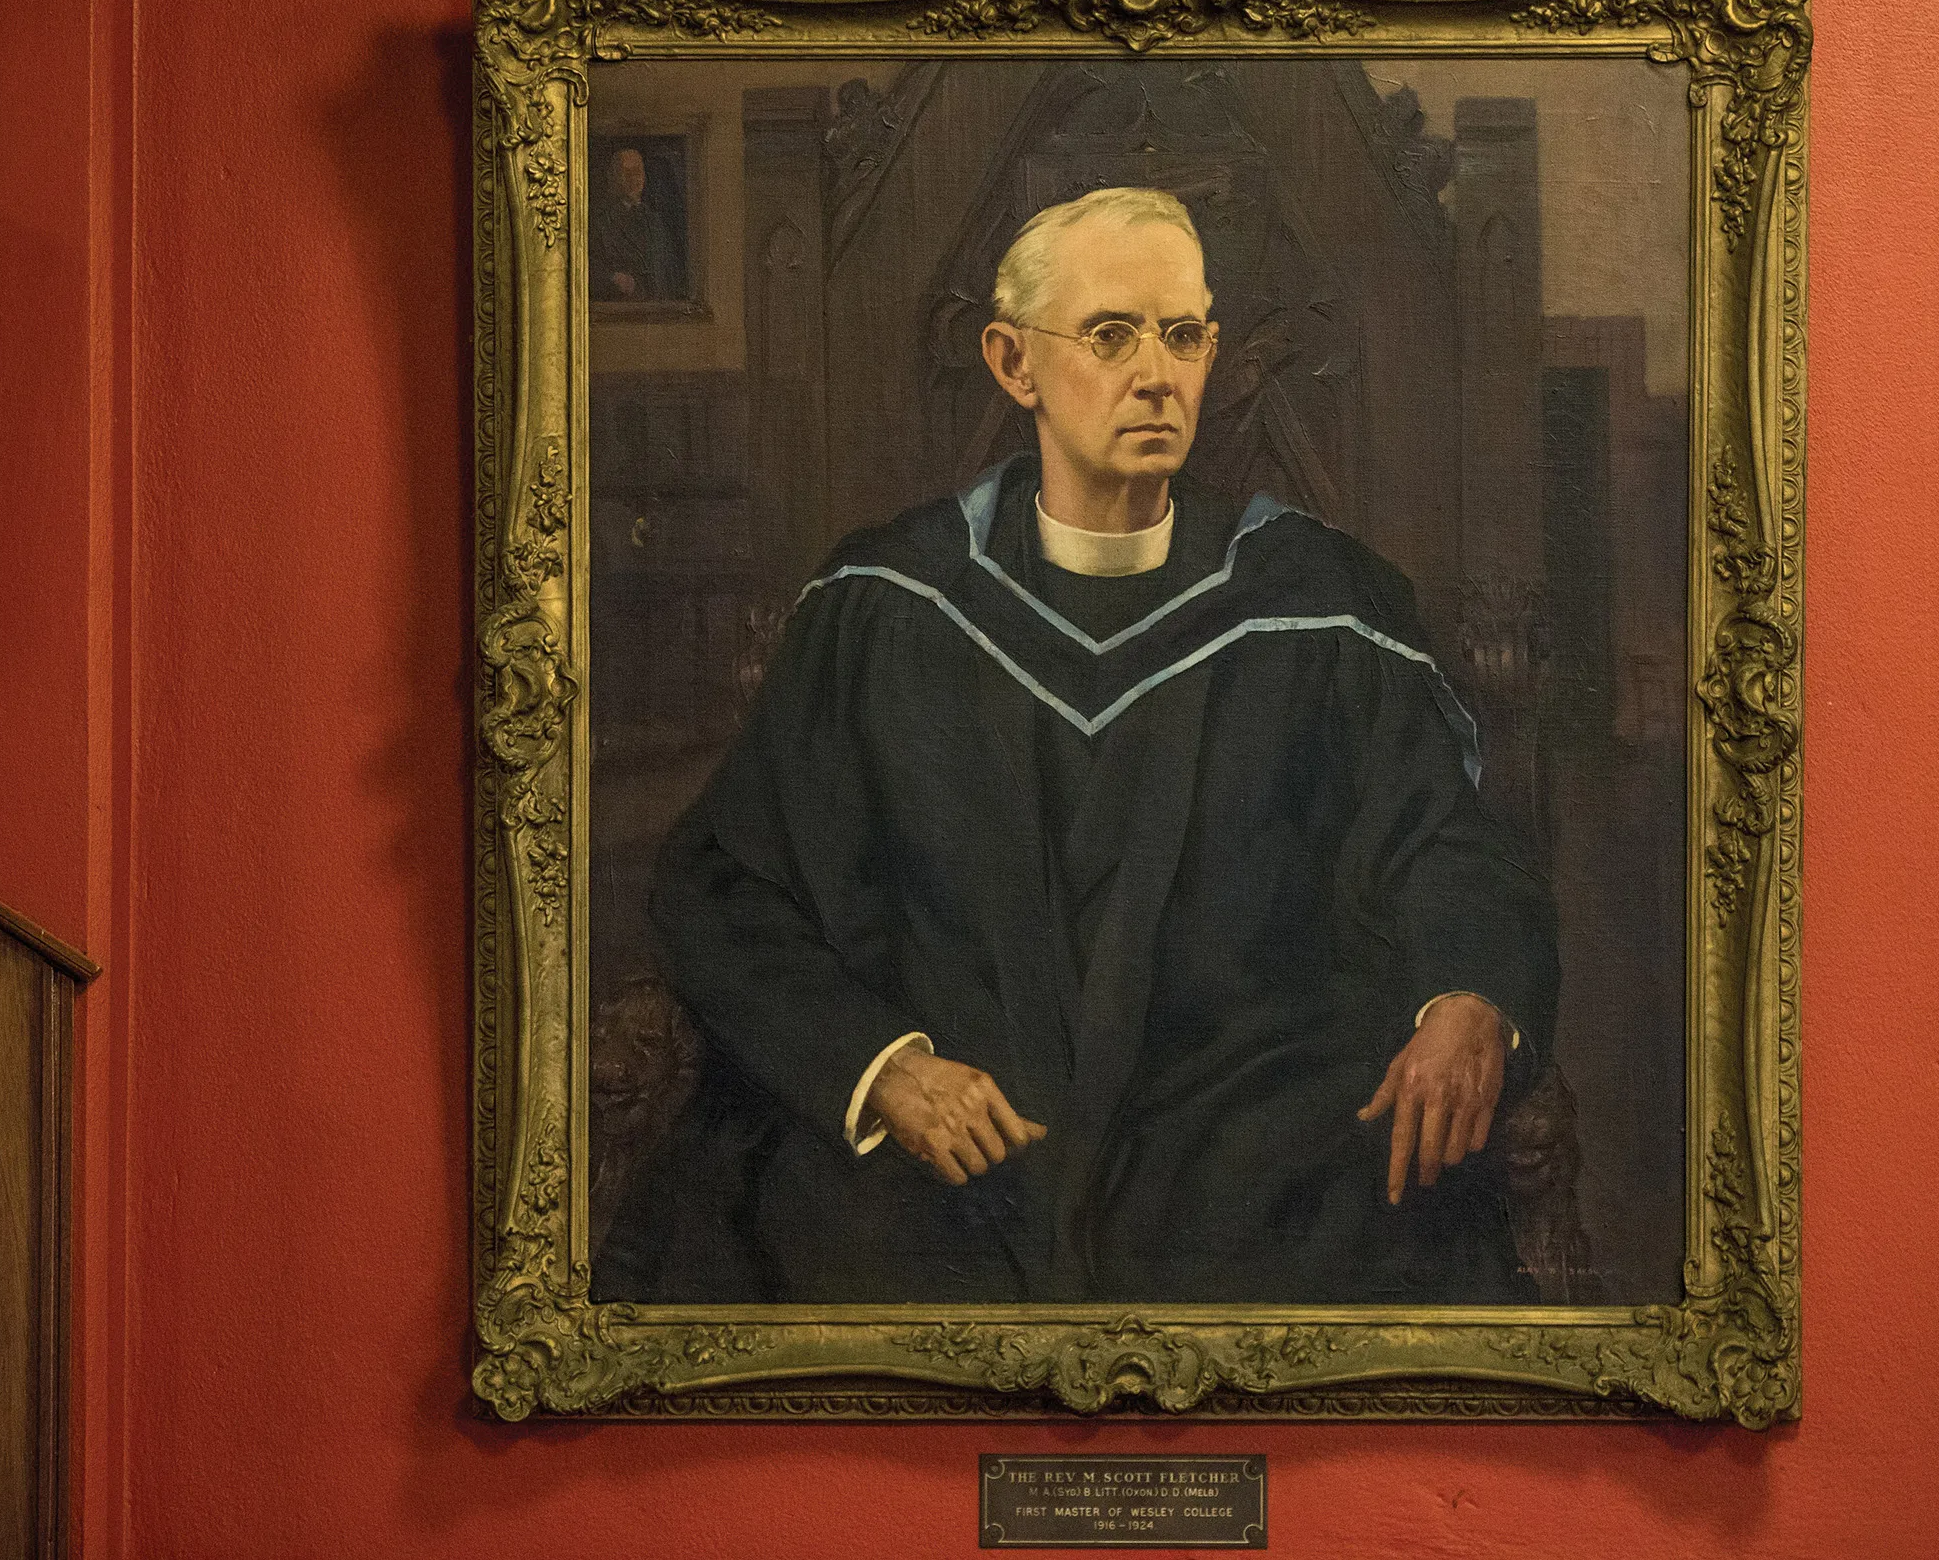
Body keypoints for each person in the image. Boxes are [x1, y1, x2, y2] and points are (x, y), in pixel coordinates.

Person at [598, 187, 1558, 1306]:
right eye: (1110, 335)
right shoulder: (886, 606)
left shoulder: (1322, 607)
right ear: (1014, 363)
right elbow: (722, 883)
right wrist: (884, 1068)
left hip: (1243, 1136)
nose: (1157, 374)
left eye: (1183, 335)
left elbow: (1446, 845)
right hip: (957, 1136)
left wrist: (1466, 999)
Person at [590, 145, 681, 302]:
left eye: (638, 172)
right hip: (621, 307)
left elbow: (669, 271)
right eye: (627, 173)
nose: (634, 178)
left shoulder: (655, 221)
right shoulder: (600, 221)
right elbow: (588, 267)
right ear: (613, 177)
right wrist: (613, 278)